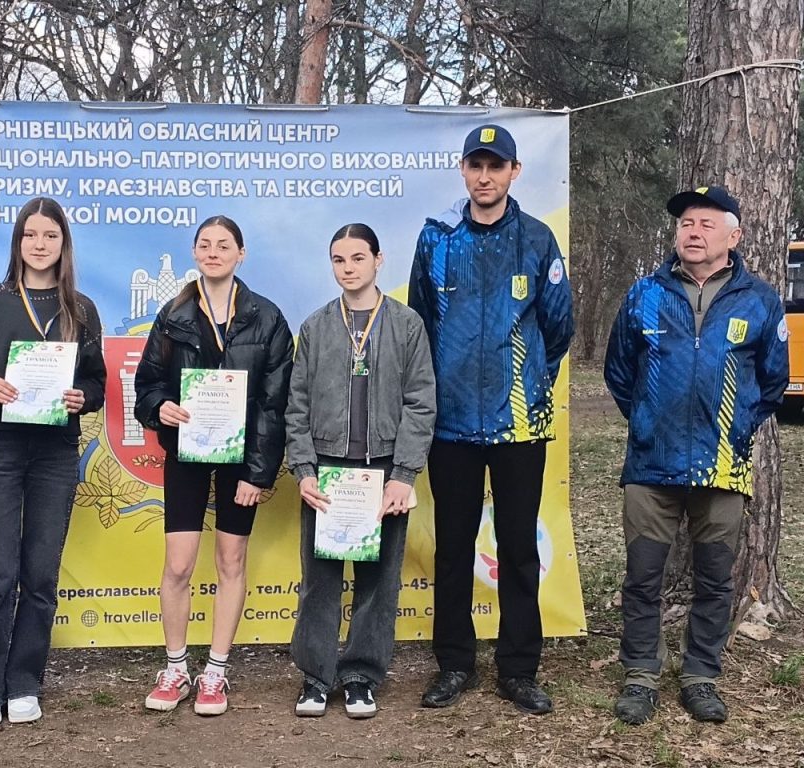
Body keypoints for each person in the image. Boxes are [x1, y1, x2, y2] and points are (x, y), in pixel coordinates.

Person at [604, 186, 789, 725]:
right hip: (651, 465)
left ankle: (700, 675)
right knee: (643, 578)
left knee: (715, 580)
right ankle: (641, 675)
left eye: (707, 224)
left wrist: (735, 427)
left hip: (722, 466)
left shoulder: (760, 301)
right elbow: (619, 372)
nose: (693, 231)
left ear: (734, 236)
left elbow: (772, 383)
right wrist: (648, 421)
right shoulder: (644, 294)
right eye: (686, 222)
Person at [408, 124, 573, 715]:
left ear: (513, 172)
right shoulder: (437, 239)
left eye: (495, 166)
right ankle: (454, 663)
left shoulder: (537, 239)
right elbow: (421, 325)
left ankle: (519, 669)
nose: (485, 176)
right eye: (475, 165)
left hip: (519, 426)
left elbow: (558, 327)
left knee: (518, 547)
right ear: (463, 170)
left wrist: (523, 385)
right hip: (450, 424)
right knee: (452, 547)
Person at [0, 197, 106, 727]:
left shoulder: (81, 309)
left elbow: (97, 381)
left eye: (50, 235)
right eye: (30, 235)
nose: (40, 244)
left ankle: (24, 682)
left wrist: (83, 398)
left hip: (54, 454)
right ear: (18, 241)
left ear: (64, 244)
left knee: (40, 574)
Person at [134, 215, 293, 716]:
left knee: (230, 562)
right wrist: (159, 407)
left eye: (224, 246)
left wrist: (258, 473)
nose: (213, 252)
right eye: (204, 245)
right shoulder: (172, 314)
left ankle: (217, 672)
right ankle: (176, 668)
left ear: (241, 254)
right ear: (194, 253)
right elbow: (148, 383)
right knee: (178, 565)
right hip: (188, 451)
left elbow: (275, 403)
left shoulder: (267, 317)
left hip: (240, 459)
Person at [285, 224, 435, 719]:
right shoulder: (315, 327)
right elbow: (297, 405)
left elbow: (420, 403)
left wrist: (404, 474)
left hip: (384, 471)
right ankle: (315, 677)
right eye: (338, 259)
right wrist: (304, 469)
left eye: (357, 258)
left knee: (379, 580)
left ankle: (360, 677)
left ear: (378, 260)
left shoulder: (406, 325)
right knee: (320, 579)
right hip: (328, 471)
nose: (347, 268)